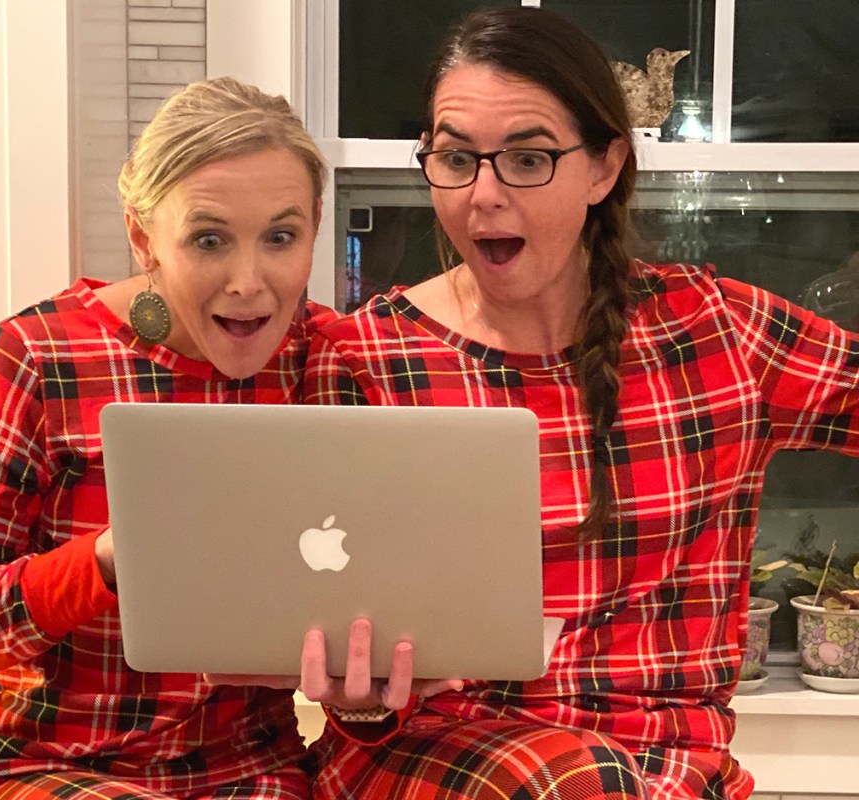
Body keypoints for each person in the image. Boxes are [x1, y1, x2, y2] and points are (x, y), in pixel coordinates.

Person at [302, 6, 859, 800]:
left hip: (668, 769)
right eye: (456, 158)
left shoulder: (715, 330)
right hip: (433, 762)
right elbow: (333, 639)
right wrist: (357, 701)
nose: (482, 195)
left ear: (604, 168)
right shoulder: (369, 359)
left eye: (527, 158)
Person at [0, 76, 332, 800]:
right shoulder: (35, 357)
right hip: (41, 767)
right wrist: (105, 561)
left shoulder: (321, 357)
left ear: (315, 226)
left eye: (281, 237)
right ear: (142, 235)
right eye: (208, 239)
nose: (249, 281)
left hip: (252, 774)